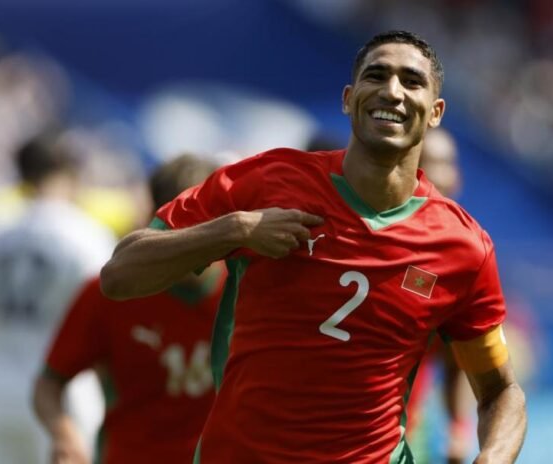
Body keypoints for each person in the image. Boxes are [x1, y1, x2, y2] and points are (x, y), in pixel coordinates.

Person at [101, 30, 527, 464]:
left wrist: (491, 456)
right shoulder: (267, 182)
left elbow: (500, 390)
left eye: (411, 81)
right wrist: (237, 229)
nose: (392, 91)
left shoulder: (462, 247)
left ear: (435, 112)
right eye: (376, 75)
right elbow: (119, 275)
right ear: (348, 99)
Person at [33, 154, 226, 464]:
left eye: (203, 226)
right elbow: (48, 383)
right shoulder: (109, 293)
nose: (192, 242)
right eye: (180, 228)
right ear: (155, 221)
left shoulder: (248, 289)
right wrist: (64, 436)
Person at [0, 134, 115, 463]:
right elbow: (107, 312)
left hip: (0, 389)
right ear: (69, 172)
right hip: (65, 394)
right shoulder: (87, 234)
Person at [407, 127, 474, 464]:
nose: (435, 174)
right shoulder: (369, 238)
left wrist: (458, 427)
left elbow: (456, 358)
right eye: (425, 162)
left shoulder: (463, 261)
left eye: (445, 163)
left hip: (405, 438)